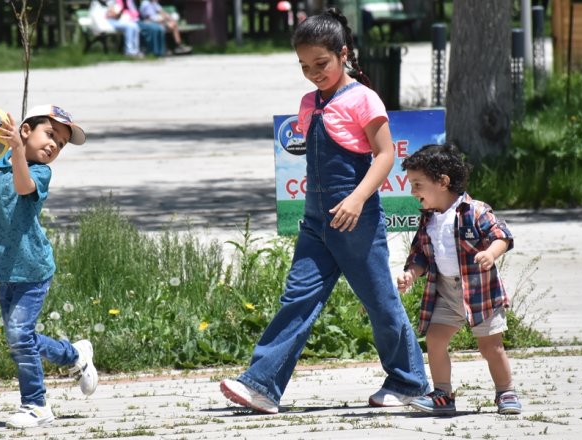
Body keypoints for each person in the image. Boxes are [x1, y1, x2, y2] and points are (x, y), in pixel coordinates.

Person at [218, 9, 429, 414]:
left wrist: (355, 199)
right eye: (304, 66)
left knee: (381, 302)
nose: (314, 73)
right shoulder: (308, 103)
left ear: (343, 53)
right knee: (296, 298)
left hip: (356, 220)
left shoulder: (364, 99)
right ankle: (261, 384)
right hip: (316, 223)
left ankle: (409, 381)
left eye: (322, 64)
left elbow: (385, 156)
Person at [0, 103, 99, 428]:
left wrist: (16, 151)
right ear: (25, 130)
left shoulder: (40, 172)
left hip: (33, 269)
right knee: (20, 337)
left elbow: (22, 186)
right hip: (5, 269)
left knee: (18, 334)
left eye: (61, 143)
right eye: (50, 134)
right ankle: (74, 355)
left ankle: (36, 405)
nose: (54, 145)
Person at [398, 143, 522, 416]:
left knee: (491, 346)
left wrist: (490, 253)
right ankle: (443, 394)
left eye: (417, 184)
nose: (412, 192)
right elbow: (420, 255)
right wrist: (411, 273)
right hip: (445, 291)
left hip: (480, 291)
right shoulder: (428, 218)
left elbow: (502, 235)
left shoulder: (474, 210)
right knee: (435, 340)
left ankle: (506, 391)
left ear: (442, 182)